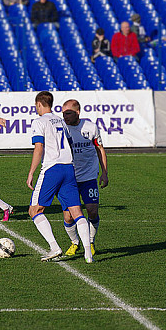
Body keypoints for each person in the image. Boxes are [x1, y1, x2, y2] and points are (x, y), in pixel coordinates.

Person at [27, 91, 93, 263]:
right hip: (68, 168)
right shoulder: (61, 122)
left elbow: (39, 147)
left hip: (52, 168)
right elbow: (70, 145)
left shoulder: (39, 121)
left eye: (36, 106)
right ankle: (88, 252)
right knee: (77, 212)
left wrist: (31, 172)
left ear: (39, 104)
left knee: (35, 210)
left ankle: (54, 247)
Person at [60, 99, 108, 257]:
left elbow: (100, 149)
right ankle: (75, 242)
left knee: (92, 211)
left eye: (68, 113)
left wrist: (104, 173)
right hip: (69, 178)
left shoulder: (91, 127)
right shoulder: (62, 128)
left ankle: (91, 241)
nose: (64, 116)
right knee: (68, 216)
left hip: (89, 177)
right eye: (63, 113)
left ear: (77, 112)